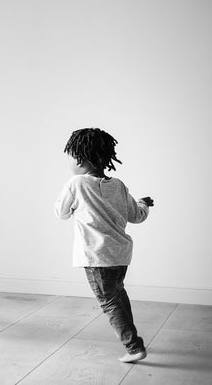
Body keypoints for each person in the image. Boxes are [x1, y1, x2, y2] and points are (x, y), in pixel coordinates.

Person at [54, 127, 154, 363]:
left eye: (71, 157)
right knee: (118, 295)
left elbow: (61, 213)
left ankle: (133, 347)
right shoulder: (118, 185)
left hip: (97, 256)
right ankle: (135, 339)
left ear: (82, 159)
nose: (70, 162)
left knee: (109, 302)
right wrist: (144, 203)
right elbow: (137, 216)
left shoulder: (76, 183)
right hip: (121, 255)